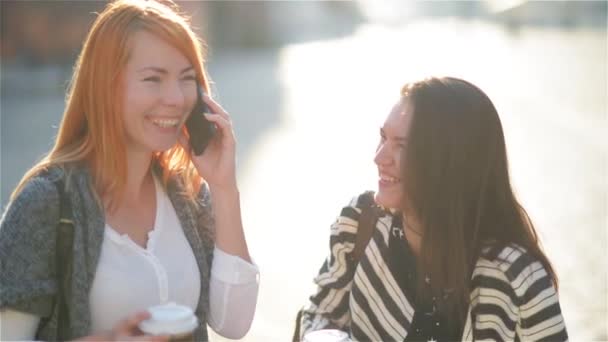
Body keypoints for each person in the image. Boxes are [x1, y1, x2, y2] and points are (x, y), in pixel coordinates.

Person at [0, 0, 259, 340]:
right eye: (153, 79)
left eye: (186, 79)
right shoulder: (45, 202)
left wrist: (225, 188)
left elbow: (234, 324)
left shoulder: (186, 195)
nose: (176, 98)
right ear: (105, 86)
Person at [298, 77, 568, 341]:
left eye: (401, 145)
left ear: (450, 161)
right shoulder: (360, 225)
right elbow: (319, 316)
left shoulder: (518, 276)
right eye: (383, 138)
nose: (379, 157)